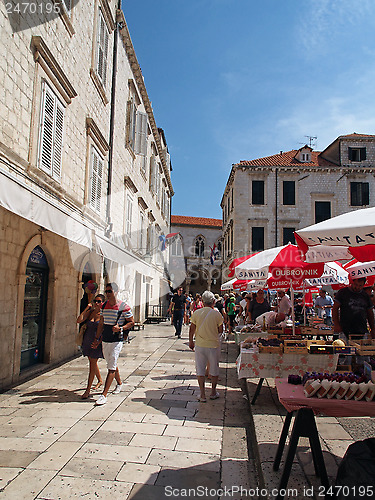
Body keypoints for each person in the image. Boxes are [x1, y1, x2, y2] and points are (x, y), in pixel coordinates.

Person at [92, 282, 134, 405]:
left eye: (109, 291)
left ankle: (104, 395)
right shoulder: (104, 306)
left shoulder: (124, 307)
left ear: (116, 292)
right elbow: (101, 323)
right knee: (111, 361)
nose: (107, 294)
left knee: (111, 366)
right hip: (106, 338)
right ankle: (120, 383)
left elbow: (131, 322)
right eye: (106, 291)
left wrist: (121, 328)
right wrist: (97, 338)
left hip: (117, 339)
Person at [189, 291, 223, 402]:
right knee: (214, 368)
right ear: (213, 302)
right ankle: (213, 392)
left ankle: (202, 394)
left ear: (202, 302)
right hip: (213, 345)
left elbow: (192, 328)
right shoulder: (217, 314)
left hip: (200, 345)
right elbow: (221, 330)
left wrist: (191, 341)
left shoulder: (196, 313)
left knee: (200, 369)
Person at [77, 293, 105, 399]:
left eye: (99, 301)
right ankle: (100, 380)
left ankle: (87, 389)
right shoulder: (91, 312)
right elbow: (79, 320)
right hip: (87, 340)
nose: (96, 303)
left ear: (103, 303)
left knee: (92, 364)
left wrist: (99, 340)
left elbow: (105, 329)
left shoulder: (103, 314)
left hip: (96, 341)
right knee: (92, 362)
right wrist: (86, 308)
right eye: (95, 301)